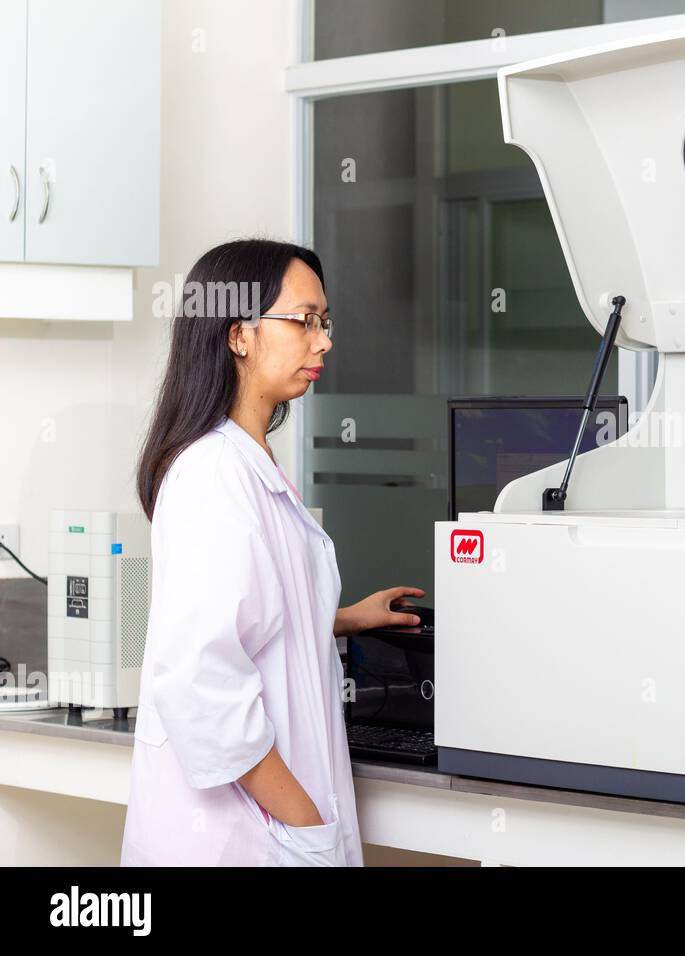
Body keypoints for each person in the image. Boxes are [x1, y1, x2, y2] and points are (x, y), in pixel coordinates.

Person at [121, 238, 424, 865]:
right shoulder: (212, 474)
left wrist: (340, 617)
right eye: (304, 320)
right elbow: (199, 680)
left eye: (325, 321)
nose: (324, 341)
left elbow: (249, 611)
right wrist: (303, 821)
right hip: (239, 836)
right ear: (239, 335)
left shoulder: (243, 462)